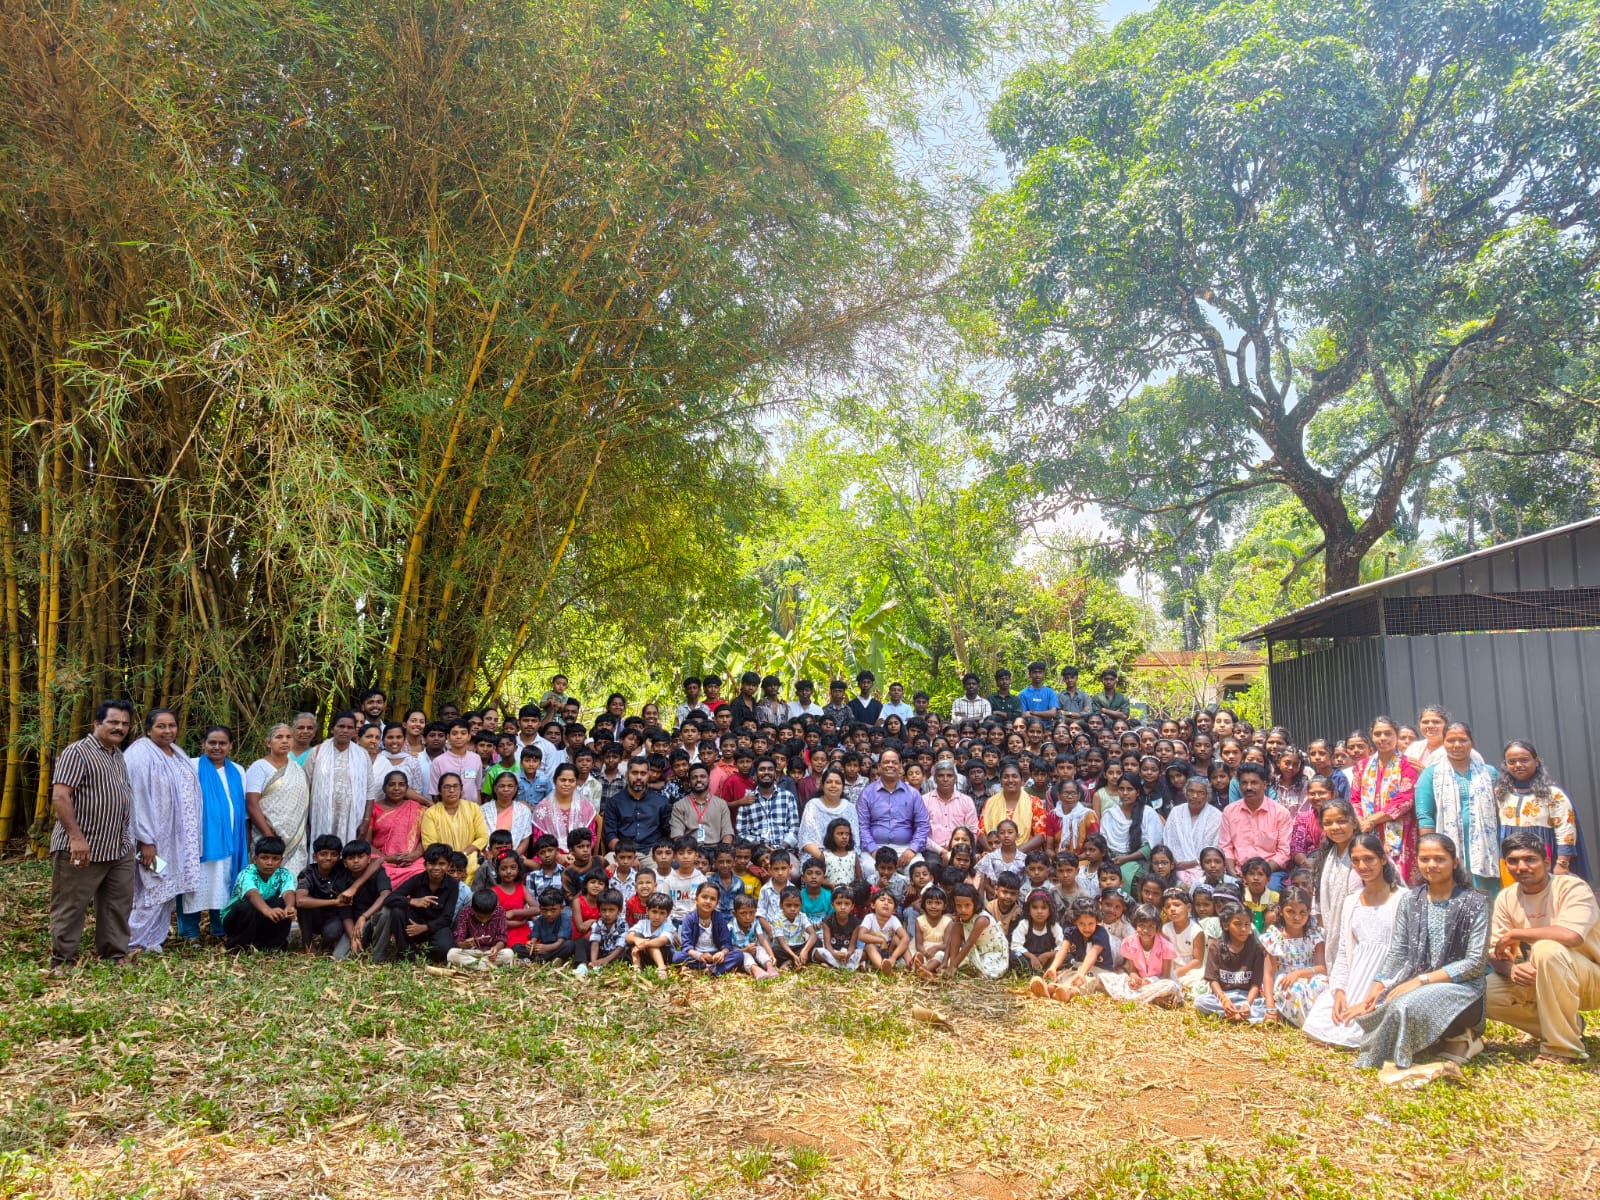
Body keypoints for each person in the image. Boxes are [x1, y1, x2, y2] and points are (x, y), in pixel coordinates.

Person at [1354, 833, 1490, 1072]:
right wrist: (1377, 988)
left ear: (1454, 862)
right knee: (1379, 1007)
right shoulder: (1410, 900)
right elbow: (1399, 951)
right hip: (1416, 982)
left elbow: (1475, 964)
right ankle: (1439, 1041)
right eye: (1425, 859)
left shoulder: (1475, 902)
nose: (1432, 865)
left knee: (1403, 1006)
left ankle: (1454, 1035)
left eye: (1440, 859)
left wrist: (1421, 981)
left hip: (1463, 989)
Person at [1486, 830, 1600, 1064]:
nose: (1522, 866)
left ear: (1546, 862)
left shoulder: (1571, 887)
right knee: (1484, 993)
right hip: (1545, 977)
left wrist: (1517, 933)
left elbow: (1571, 936)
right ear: (1506, 865)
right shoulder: (1507, 897)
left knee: (1546, 949)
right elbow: (1495, 951)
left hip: (1591, 978)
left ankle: (1563, 1049)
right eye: (1513, 861)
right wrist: (1511, 970)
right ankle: (1568, 1025)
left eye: (1530, 859)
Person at [48, 700, 137, 973]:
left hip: (118, 845)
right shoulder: (78, 752)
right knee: (71, 904)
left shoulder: (117, 754)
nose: (119, 728)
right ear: (97, 724)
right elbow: (60, 796)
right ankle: (63, 960)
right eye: (113, 722)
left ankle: (113, 953)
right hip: (82, 845)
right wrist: (75, 837)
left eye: (124, 723)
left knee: (117, 904)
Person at [125, 709, 201, 955]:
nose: (168, 731)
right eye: (161, 726)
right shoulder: (140, 754)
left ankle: (152, 941)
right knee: (151, 888)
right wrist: (146, 841)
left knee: (167, 891)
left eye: (172, 725)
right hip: (152, 842)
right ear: (148, 729)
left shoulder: (176, 753)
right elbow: (137, 799)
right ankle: (131, 942)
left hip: (177, 840)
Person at [1414, 722, 1501, 893]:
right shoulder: (1431, 774)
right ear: (1443, 743)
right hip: (1447, 846)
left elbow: (1500, 812)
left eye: (1463, 740)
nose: (1457, 745)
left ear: (1472, 743)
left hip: (1486, 847)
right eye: (1451, 740)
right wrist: (1431, 850)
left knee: (1487, 895)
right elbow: (1425, 816)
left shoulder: (1489, 772)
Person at [183, 725, 250, 940]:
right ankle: (190, 932)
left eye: (222, 743)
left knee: (223, 883)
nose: (217, 747)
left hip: (230, 840)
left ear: (230, 745)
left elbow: (241, 806)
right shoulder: (190, 766)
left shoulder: (238, 770)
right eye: (212, 742)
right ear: (203, 744)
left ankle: (219, 929)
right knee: (193, 885)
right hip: (198, 842)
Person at [1494, 740, 1582, 880]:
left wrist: (1562, 863)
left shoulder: (1552, 794)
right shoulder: (1501, 793)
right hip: (1512, 860)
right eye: (1512, 761)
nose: (1518, 765)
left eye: (1524, 760)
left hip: (1542, 857)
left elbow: (1566, 829)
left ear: (1536, 761)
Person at [1352, 716, 1419, 884]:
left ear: (1396, 735)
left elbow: (1404, 800)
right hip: (1367, 830)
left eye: (1388, 734)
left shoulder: (1406, 764)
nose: (1383, 738)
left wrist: (1372, 820)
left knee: (1399, 880)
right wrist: (1361, 821)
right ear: (1372, 737)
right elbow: (1355, 799)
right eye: (1378, 734)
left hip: (1401, 831)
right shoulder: (1362, 766)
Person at [367, 844, 458, 963]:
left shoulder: (452, 885)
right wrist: (412, 901)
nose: (436, 868)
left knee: (444, 949)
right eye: (432, 863)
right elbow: (389, 898)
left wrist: (425, 927)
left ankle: (422, 953)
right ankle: (406, 953)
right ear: (425, 865)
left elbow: (447, 918)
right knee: (397, 911)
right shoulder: (417, 879)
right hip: (412, 926)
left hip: (435, 927)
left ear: (448, 865)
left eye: (441, 864)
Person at [245, 723, 311, 879]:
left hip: (295, 838)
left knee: (292, 880)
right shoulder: (259, 767)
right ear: (269, 743)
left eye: (289, 737)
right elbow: (252, 804)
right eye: (279, 737)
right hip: (265, 835)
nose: (285, 741)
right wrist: (268, 834)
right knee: (265, 878)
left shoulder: (297, 769)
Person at [218, 835, 298, 953]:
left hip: (260, 917)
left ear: (281, 860)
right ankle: (236, 945)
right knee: (248, 906)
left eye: (275, 858)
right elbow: (252, 894)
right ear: (255, 859)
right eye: (264, 858)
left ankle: (272, 944)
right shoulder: (247, 873)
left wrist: (290, 907)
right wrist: (268, 910)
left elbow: (289, 892)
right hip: (235, 919)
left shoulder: (284, 874)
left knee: (283, 904)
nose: (269, 863)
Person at [1195, 900, 1271, 1023]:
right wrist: (1224, 1000)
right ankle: (1236, 1015)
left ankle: (1230, 1015)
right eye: (1238, 924)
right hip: (1225, 996)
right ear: (1226, 926)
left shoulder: (1256, 950)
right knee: (1200, 1002)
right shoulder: (1216, 947)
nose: (1243, 929)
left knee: (1268, 1006)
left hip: (1247, 997)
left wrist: (1247, 1004)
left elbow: (1256, 984)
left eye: (1247, 924)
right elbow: (1213, 980)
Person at [1262, 887, 1326, 1026]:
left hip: (1309, 974)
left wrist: (1299, 973)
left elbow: (1321, 967)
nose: (1297, 917)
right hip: (1286, 979)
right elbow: (1268, 974)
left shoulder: (1314, 933)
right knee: (1296, 989)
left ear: (1309, 912)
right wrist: (1270, 1006)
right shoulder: (1275, 937)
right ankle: (1308, 1023)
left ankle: (1320, 1021)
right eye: (1291, 911)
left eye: (1303, 912)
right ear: (1280, 910)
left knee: (1324, 984)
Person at [857, 748, 929, 870]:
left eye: (894, 762)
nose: (890, 765)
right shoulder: (867, 793)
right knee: (869, 868)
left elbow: (923, 824)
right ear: (879, 766)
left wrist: (912, 849)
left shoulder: (913, 793)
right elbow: (862, 826)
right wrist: (874, 851)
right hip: (876, 848)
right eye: (886, 762)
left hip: (905, 848)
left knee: (918, 869)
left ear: (900, 767)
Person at [307, 711, 370, 847]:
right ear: (332, 729)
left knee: (348, 854)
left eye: (349, 728)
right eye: (341, 726)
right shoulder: (317, 752)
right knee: (323, 852)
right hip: (321, 815)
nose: (345, 731)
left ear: (354, 731)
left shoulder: (363, 755)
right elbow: (306, 788)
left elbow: (369, 791)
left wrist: (365, 821)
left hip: (352, 817)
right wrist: (306, 822)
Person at [418, 772, 489, 879]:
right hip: (441, 861)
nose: (452, 790)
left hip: (468, 857)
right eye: (447, 787)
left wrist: (463, 854)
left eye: (455, 786)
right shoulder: (431, 813)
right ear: (440, 791)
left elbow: (482, 837)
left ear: (461, 789)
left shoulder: (473, 808)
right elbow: (430, 844)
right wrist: (447, 859)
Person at [368, 769, 426, 887]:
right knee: (380, 873)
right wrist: (387, 859)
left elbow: (424, 839)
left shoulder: (417, 808)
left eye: (401, 785)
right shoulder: (373, 809)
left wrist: (414, 855)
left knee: (423, 872)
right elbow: (366, 843)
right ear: (384, 788)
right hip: (382, 859)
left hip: (412, 860)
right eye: (391, 785)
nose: (396, 788)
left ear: (407, 789)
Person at [1164, 775, 1222, 886]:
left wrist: (1191, 864)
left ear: (1207, 796)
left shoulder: (1216, 816)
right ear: (1185, 793)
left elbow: (1215, 847)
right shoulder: (1176, 812)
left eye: (1200, 793)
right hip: (1176, 868)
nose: (1195, 796)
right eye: (1191, 791)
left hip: (1206, 869)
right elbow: (1168, 841)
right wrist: (1176, 864)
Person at [676, 881, 744, 974]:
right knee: (677, 957)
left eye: (712, 899)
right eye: (704, 897)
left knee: (739, 955)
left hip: (715, 955)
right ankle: (708, 967)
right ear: (696, 899)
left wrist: (721, 954)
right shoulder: (689, 919)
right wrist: (700, 955)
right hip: (697, 956)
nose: (708, 901)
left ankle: (711, 969)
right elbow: (687, 946)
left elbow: (727, 944)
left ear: (716, 903)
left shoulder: (719, 918)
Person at [798, 766, 859, 861]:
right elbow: (805, 840)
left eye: (838, 783)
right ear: (822, 785)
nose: (833, 785)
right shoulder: (812, 805)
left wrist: (842, 859)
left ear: (843, 787)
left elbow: (855, 840)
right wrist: (826, 859)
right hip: (816, 855)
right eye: (829, 782)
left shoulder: (849, 808)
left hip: (844, 856)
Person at [449, 889, 514, 971]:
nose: (484, 920)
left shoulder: (500, 912)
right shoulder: (465, 912)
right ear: (473, 909)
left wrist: (497, 948)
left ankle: (476, 966)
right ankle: (486, 966)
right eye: (479, 917)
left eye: (488, 917)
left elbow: (502, 937)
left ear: (494, 909)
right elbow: (459, 938)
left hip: (490, 953)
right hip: (471, 952)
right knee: (452, 954)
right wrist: (465, 944)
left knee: (509, 954)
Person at [672, 761, 735, 844]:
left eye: (703, 776)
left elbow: (727, 833)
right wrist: (689, 853)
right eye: (694, 777)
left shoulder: (721, 804)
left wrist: (723, 852)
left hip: (716, 850)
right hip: (691, 851)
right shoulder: (679, 806)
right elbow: (677, 836)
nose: (698, 780)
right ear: (689, 781)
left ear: (709, 779)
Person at [481, 770, 533, 858]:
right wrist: (488, 854)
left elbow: (525, 839)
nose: (506, 789)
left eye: (510, 786)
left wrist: (514, 856)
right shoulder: (484, 810)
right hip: (488, 858)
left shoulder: (523, 811)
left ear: (516, 788)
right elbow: (479, 836)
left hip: (515, 858)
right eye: (502, 786)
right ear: (495, 788)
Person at [860, 888, 911, 973]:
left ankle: (911, 965)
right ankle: (882, 967)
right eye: (882, 900)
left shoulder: (893, 919)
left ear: (894, 910)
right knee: (869, 946)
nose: (886, 903)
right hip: (873, 953)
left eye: (890, 902)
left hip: (889, 951)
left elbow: (905, 938)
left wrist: (893, 957)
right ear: (873, 905)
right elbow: (861, 935)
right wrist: (881, 940)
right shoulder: (869, 918)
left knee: (898, 939)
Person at [814, 889, 864, 971]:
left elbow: (852, 945)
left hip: (848, 953)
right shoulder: (827, 921)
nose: (843, 907)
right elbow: (827, 944)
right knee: (817, 952)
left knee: (863, 953)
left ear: (852, 906)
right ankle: (849, 966)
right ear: (832, 905)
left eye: (847, 904)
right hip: (832, 951)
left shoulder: (856, 923)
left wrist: (848, 954)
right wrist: (834, 954)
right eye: (839, 903)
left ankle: (833, 964)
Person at [628, 892, 679, 970]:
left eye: (662, 913)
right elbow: (629, 936)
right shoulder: (643, 923)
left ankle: (661, 967)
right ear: (647, 910)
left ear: (667, 915)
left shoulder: (668, 925)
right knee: (636, 937)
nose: (657, 917)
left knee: (652, 940)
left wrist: (645, 944)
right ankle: (637, 968)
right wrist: (637, 940)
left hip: (666, 956)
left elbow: (663, 940)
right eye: (654, 912)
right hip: (647, 956)